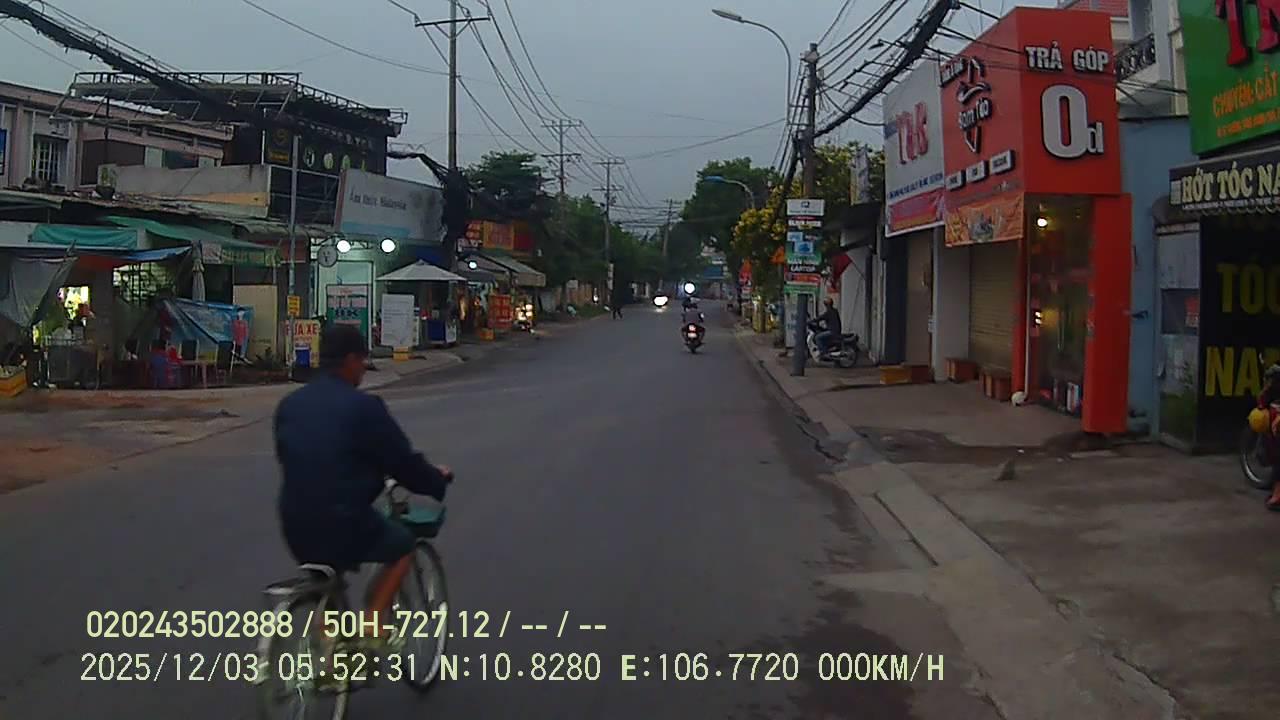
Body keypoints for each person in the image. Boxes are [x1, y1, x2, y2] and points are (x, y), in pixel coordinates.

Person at [273, 324, 453, 641]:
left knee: (327, 578)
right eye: (362, 362)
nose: (363, 371)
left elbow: (298, 457)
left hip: (295, 524)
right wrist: (435, 479)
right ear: (351, 360)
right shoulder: (365, 408)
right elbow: (403, 463)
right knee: (402, 546)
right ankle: (374, 619)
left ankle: (329, 652)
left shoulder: (289, 405)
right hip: (344, 521)